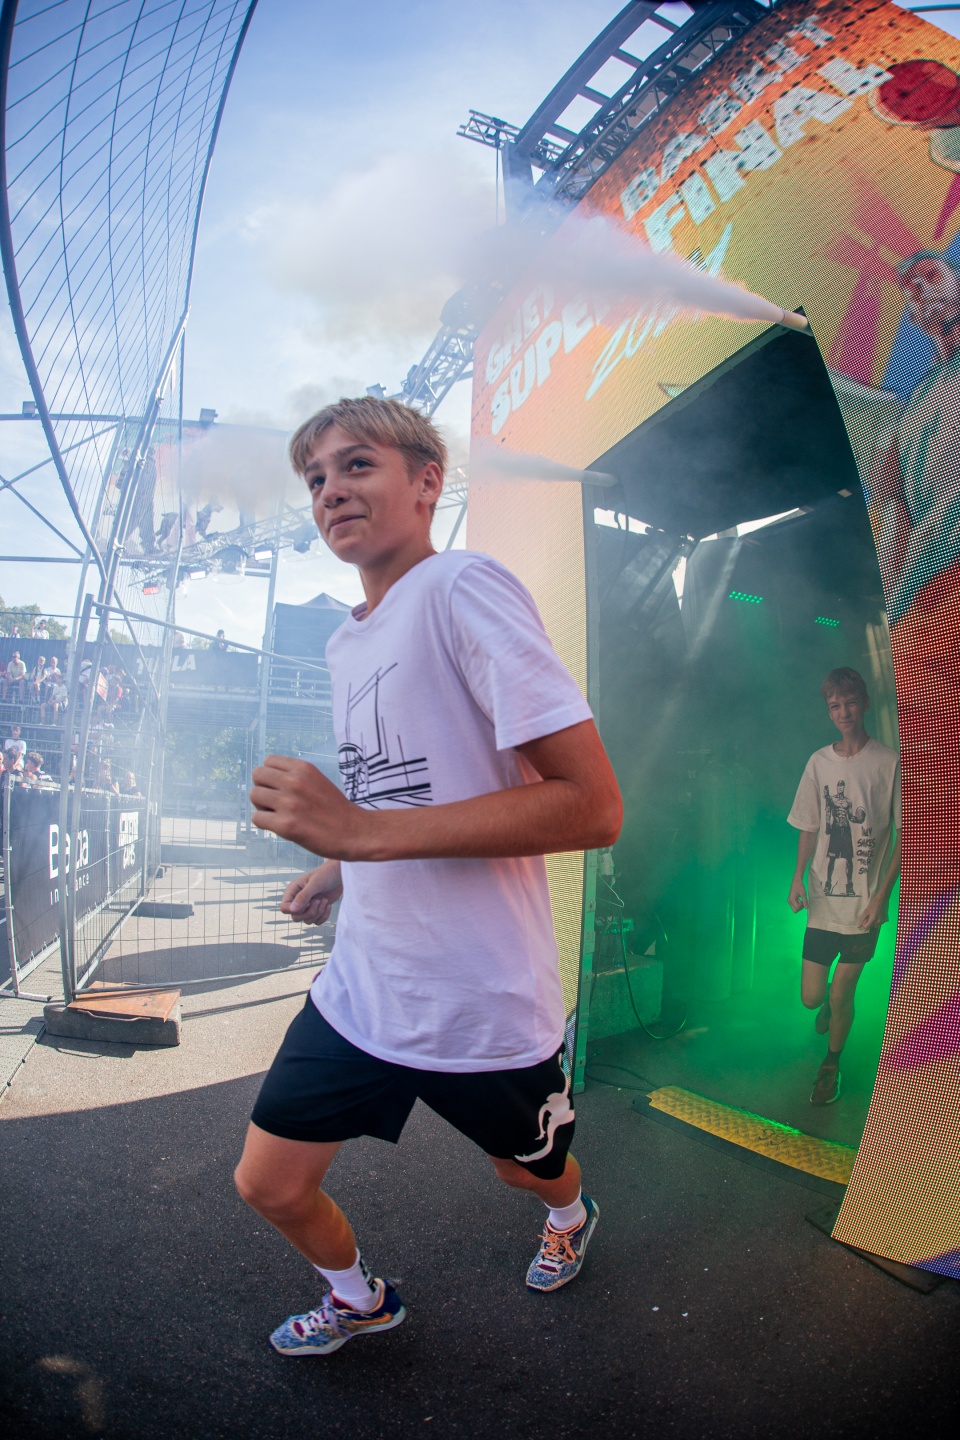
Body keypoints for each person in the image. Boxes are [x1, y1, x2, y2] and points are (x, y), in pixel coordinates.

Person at [235, 396, 622, 1358]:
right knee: (269, 1183)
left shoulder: (462, 586)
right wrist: (341, 861)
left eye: (356, 465)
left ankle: (570, 1216)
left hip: (479, 1003)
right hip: (365, 989)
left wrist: (359, 834)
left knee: (527, 1172)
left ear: (427, 481)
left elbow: (592, 806)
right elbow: (406, 791)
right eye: (316, 478)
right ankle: (361, 1300)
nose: (331, 490)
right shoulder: (346, 639)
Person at [788, 668, 901, 1107]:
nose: (844, 712)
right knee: (812, 998)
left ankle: (831, 1065)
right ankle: (830, 1010)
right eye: (835, 706)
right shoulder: (818, 763)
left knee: (842, 992)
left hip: (864, 907)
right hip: (823, 903)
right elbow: (808, 825)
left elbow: (904, 834)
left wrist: (882, 897)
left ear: (865, 703)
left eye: (851, 702)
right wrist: (797, 877)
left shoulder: (888, 762)